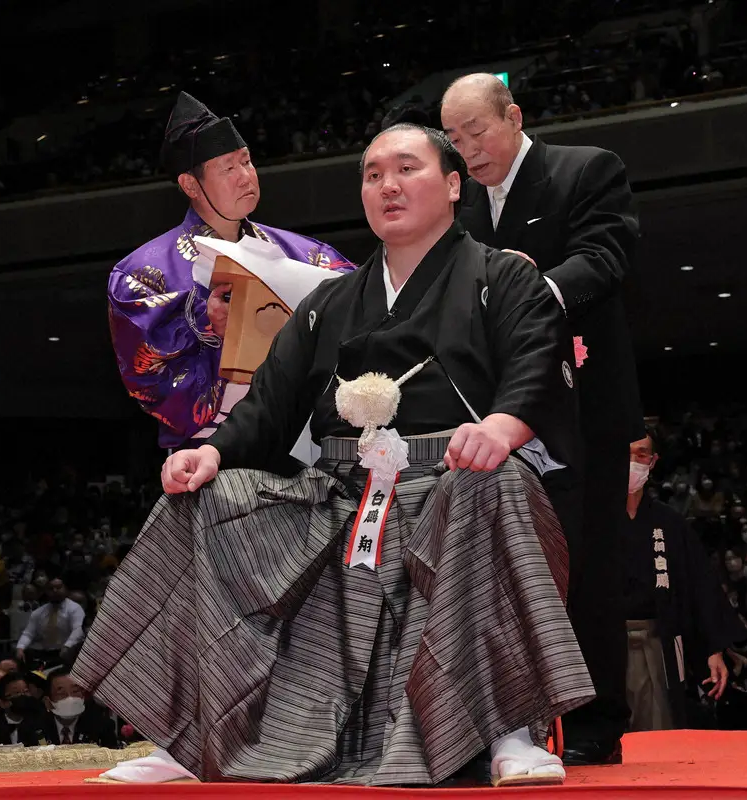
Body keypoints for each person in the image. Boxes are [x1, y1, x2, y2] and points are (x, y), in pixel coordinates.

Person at [72, 123, 591, 787]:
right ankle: (191, 739)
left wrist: (501, 425)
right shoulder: (329, 302)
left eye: (407, 169)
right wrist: (212, 452)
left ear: (454, 185)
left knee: (492, 485)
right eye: (373, 175)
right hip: (341, 492)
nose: (387, 186)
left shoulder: (503, 277)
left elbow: (536, 366)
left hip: (455, 482)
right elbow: (266, 410)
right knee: (209, 497)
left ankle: (506, 730)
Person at [441, 72, 642, 765]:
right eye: (456, 139)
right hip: (500, 407)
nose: (469, 149)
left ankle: (594, 724)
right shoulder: (460, 206)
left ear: (514, 116)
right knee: (505, 568)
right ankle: (502, 724)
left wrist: (532, 288)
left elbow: (606, 257)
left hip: (585, 404)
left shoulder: (585, 169)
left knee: (588, 566)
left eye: (478, 131)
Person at [109, 91, 351, 451]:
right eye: (227, 168)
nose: (245, 177)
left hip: (310, 436)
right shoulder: (143, 273)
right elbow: (146, 378)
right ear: (191, 185)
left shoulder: (306, 254)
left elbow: (359, 309)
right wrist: (205, 323)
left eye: (246, 162)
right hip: (213, 445)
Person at [620, 432, 743, 730]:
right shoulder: (591, 520)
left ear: (653, 461)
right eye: (627, 454)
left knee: (660, 724)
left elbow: (698, 584)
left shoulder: (670, 522)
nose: (634, 462)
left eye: (642, 454)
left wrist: (712, 649)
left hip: (659, 638)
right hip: (603, 641)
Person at [16, 578, 85, 668]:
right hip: (46, 652)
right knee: (25, 654)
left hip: (68, 652)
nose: (55, 591)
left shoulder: (75, 608)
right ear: (46, 592)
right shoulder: (39, 612)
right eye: (51, 588)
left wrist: (67, 646)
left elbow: (78, 630)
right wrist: (20, 648)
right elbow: (28, 634)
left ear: (65, 589)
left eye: (58, 587)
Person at [41, 669, 118, 748]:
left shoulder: (102, 725)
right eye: (62, 694)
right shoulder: (37, 728)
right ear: (48, 702)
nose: (70, 698)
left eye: (75, 691)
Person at [0, 672, 49, 747]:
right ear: (2, 703)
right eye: (16, 693)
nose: (23, 696)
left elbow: (45, 746)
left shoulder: (41, 719)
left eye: (26, 691)